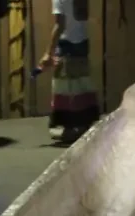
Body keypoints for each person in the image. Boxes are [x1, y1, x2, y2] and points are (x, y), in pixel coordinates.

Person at [41, 0, 99, 145]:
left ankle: (70, 127)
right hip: (82, 42)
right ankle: (83, 124)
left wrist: (48, 52)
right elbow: (82, 16)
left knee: (65, 87)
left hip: (67, 44)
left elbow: (60, 25)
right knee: (81, 83)